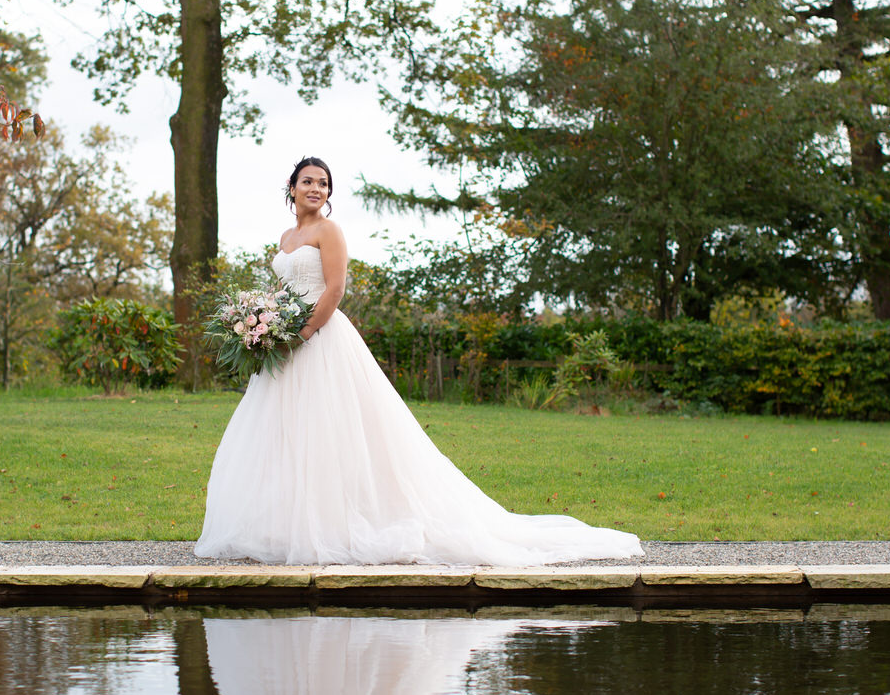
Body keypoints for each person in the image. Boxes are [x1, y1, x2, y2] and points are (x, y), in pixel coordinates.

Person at [194, 157, 643, 566]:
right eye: (308, 181)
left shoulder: (328, 232)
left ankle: (335, 525)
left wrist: (304, 333)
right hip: (285, 344)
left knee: (330, 430)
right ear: (290, 188)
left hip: (321, 338)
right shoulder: (286, 237)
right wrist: (266, 326)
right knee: (286, 433)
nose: (316, 189)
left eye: (324, 183)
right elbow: (282, 293)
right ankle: (286, 525)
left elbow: (334, 289)